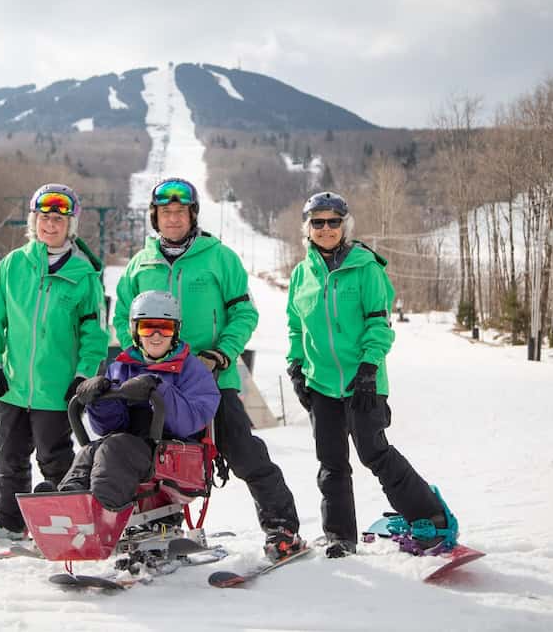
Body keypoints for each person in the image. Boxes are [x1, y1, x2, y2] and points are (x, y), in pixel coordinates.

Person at [114, 177, 304, 561]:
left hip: (210, 377)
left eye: (179, 212)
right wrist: (141, 356)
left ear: (192, 214)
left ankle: (281, 526)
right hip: (155, 379)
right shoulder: (140, 263)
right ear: (155, 217)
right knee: (150, 451)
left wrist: (221, 354)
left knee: (243, 449)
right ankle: (157, 526)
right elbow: (121, 316)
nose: (172, 219)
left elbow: (244, 312)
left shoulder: (219, 257)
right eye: (165, 212)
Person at [286, 191, 457, 559]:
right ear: (308, 229)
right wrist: (296, 366)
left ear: (345, 226)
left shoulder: (366, 268)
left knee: (374, 452)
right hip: (321, 384)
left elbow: (378, 325)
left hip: (363, 381)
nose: (326, 228)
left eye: (334, 221)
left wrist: (368, 368)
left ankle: (430, 517)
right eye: (318, 222)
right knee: (331, 463)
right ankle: (339, 536)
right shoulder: (302, 274)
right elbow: (295, 327)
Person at [0, 183, 108, 541]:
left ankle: (62, 525)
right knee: (8, 458)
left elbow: (94, 336)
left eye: (59, 220)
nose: (51, 225)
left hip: (55, 389)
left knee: (55, 459)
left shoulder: (84, 277)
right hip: (13, 385)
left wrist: (81, 377)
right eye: (44, 218)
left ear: (71, 226)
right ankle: (8, 522)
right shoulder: (13, 265)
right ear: (34, 222)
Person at [57, 291, 220, 510]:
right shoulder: (120, 368)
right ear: (135, 331)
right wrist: (100, 401)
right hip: (130, 449)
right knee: (91, 450)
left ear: (175, 331)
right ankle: (69, 503)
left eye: (165, 328)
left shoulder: (193, 371)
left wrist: (158, 388)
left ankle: (101, 510)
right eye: (147, 327)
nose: (156, 336)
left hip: (172, 454)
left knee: (113, 447)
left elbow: (188, 422)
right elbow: (108, 428)